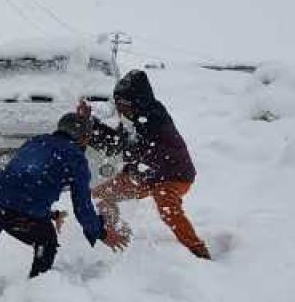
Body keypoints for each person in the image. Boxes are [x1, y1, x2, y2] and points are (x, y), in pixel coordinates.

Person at [0, 113, 130, 283]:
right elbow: (82, 207)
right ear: (83, 138)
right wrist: (101, 233)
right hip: (20, 213)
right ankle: (37, 285)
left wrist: (50, 215)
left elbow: (19, 185)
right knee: (47, 240)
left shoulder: (35, 141)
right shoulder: (76, 158)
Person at [78, 69, 211, 259]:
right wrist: (89, 124)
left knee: (166, 203)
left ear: (137, 101)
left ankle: (197, 249)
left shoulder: (154, 118)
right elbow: (114, 144)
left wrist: (129, 157)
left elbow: (133, 148)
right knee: (101, 194)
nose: (120, 108)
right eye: (117, 103)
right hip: (143, 176)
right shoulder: (132, 119)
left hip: (174, 176)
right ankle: (119, 233)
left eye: (123, 103)